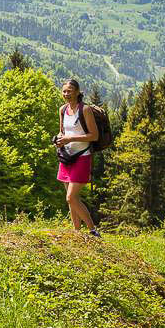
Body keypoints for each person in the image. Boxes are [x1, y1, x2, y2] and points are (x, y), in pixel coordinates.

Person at [55, 79, 101, 238]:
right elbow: (62, 131)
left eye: (69, 91)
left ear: (77, 92)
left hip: (82, 157)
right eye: (64, 91)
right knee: (70, 199)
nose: (66, 94)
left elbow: (94, 136)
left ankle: (93, 231)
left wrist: (70, 139)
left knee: (71, 197)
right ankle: (76, 233)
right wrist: (60, 139)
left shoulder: (85, 110)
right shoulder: (62, 110)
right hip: (66, 157)